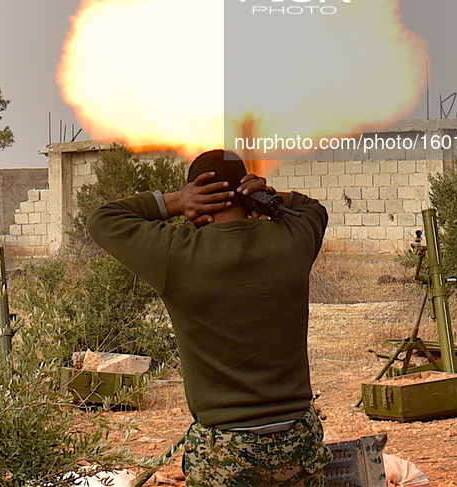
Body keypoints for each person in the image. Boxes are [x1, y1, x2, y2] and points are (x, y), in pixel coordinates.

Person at [87, 149, 332, 487]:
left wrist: (175, 202)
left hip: (225, 452)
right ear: (249, 195)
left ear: (198, 200)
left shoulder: (178, 254)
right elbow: (313, 208)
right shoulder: (293, 241)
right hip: (296, 444)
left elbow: (103, 219)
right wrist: (270, 198)